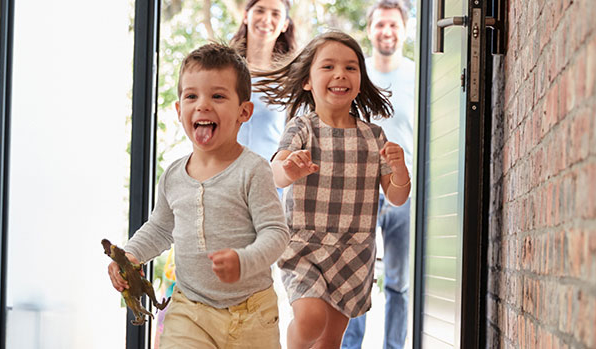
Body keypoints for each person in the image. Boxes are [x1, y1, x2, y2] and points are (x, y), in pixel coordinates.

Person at [107, 43, 291, 349]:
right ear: (179, 110)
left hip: (252, 315)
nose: (203, 105)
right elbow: (160, 228)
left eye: (217, 96)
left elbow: (277, 233)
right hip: (189, 310)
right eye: (192, 96)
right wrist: (129, 255)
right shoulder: (174, 176)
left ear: (244, 111)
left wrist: (243, 260)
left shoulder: (254, 170)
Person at [255, 31, 412, 349]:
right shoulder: (302, 128)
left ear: (359, 79)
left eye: (350, 67)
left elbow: (396, 196)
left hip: (354, 252)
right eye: (328, 66)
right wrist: (289, 168)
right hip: (305, 248)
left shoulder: (374, 137)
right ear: (307, 81)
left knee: (330, 342)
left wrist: (401, 169)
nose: (340, 73)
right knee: (311, 319)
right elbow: (276, 174)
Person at [342, 1, 416, 348]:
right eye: (380, 25)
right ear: (370, 29)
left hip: (403, 191)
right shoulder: (357, 76)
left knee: (399, 282)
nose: (387, 31)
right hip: (361, 193)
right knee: (357, 278)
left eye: (393, 25)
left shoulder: (418, 75)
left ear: (404, 29)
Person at [232, 0, 297, 161]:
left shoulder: (291, 79)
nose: (266, 19)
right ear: (246, 16)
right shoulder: (224, 69)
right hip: (224, 177)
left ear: (284, 25)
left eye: (275, 14)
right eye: (260, 11)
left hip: (270, 179)